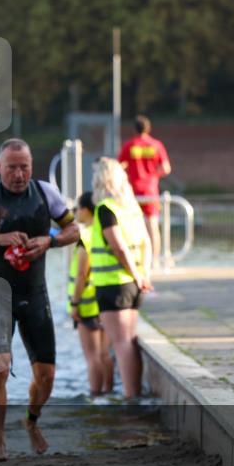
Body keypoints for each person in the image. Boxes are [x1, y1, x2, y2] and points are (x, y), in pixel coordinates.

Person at [0, 139, 79, 462]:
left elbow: (74, 229)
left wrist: (49, 240)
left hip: (35, 293)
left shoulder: (46, 193)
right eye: (12, 168)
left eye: (25, 167)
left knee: (46, 375)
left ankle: (31, 421)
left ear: (31, 166)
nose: (19, 174)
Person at [90, 158, 153, 400]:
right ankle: (134, 393)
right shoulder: (131, 207)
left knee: (121, 343)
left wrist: (137, 276)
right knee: (130, 340)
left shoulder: (106, 208)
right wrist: (143, 275)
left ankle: (130, 398)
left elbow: (119, 248)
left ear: (101, 180)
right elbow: (146, 242)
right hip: (133, 284)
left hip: (113, 285)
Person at [68, 192, 113, 398]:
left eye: (77, 208)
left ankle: (95, 397)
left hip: (87, 305)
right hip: (104, 300)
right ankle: (109, 393)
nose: (75, 212)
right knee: (104, 354)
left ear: (86, 210)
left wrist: (75, 304)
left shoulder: (85, 236)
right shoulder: (103, 231)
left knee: (92, 356)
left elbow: (80, 275)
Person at [118, 115, 171, 268]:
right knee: (153, 226)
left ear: (134, 129)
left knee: (131, 225)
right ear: (149, 128)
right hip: (150, 191)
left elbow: (119, 166)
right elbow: (166, 168)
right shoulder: (156, 145)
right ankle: (155, 260)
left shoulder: (130, 145)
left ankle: (135, 260)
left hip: (133, 191)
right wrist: (152, 175)